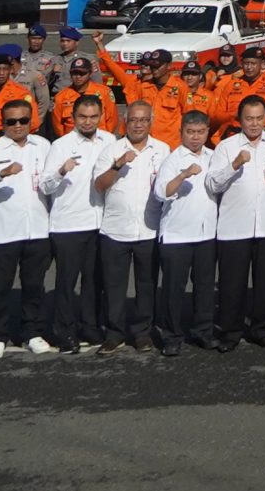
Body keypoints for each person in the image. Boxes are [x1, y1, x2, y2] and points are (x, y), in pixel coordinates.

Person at [0, 96, 55, 358]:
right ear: (3, 122)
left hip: (38, 228)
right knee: (1, 286)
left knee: (34, 285)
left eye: (23, 120)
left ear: (32, 121)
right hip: (4, 231)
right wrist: (1, 174)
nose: (18, 125)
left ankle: (32, 332)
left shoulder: (43, 146)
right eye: (11, 121)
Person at [207, 95, 265, 351]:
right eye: (249, 119)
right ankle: (230, 332)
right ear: (239, 120)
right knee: (233, 284)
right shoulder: (226, 146)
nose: (254, 124)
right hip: (235, 227)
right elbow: (212, 184)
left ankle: (261, 329)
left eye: (259, 118)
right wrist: (234, 165)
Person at [38, 92, 112, 353]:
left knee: (94, 281)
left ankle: (90, 325)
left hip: (100, 222)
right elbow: (44, 185)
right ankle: (64, 331)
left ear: (101, 117)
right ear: (73, 117)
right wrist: (61, 170)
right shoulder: (60, 145)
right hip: (68, 224)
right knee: (67, 282)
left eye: (93, 117)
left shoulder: (110, 141)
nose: (88, 122)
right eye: (82, 116)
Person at [90, 102, 165, 355]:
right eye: (133, 120)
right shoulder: (111, 150)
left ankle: (143, 333)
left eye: (143, 120)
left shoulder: (163, 150)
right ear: (125, 121)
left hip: (149, 229)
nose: (138, 125)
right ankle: (114, 333)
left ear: (151, 121)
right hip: (115, 228)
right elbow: (99, 185)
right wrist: (117, 165)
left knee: (146, 285)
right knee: (114, 286)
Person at [152, 110, 220, 356]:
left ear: (207, 132)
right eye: (190, 132)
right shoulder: (172, 159)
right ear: (181, 133)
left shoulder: (214, 156)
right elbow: (161, 193)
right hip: (177, 235)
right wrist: (183, 175)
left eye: (200, 132)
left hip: (206, 234)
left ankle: (203, 332)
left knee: (203, 287)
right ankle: (171, 336)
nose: (195, 137)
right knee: (173, 289)